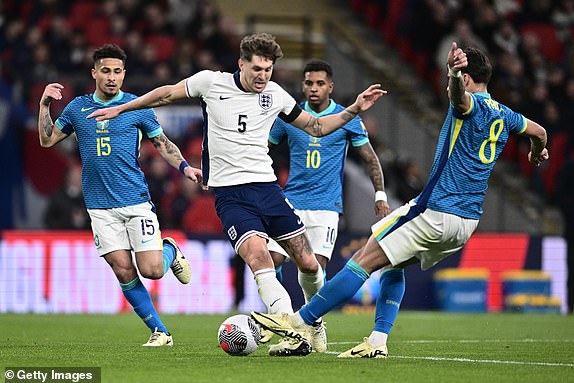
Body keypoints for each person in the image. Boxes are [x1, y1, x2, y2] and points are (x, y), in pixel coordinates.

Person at [88, 32, 386, 356]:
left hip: (268, 190)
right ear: (241, 63)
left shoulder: (275, 95)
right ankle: (289, 329)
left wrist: (355, 108)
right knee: (259, 258)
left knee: (310, 264)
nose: (262, 76)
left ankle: (314, 323)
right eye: (257, 68)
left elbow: (316, 127)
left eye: (268, 70)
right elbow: (166, 94)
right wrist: (123, 108)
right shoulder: (211, 84)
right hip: (231, 196)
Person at [251, 42, 549, 357]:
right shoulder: (506, 114)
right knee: (393, 266)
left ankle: (297, 323)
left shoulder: (469, 103)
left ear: (466, 76)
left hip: (435, 210)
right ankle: (377, 342)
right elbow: (540, 131)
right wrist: (535, 150)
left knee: (362, 261)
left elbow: (460, 99)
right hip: (467, 223)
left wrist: (452, 74)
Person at [38, 44, 200, 347]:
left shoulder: (137, 106)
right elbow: (47, 140)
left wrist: (184, 167)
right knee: (123, 269)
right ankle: (160, 332)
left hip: (135, 200)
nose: (112, 77)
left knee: (152, 271)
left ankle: (171, 251)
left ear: (124, 74)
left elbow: (163, 143)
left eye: (117, 71)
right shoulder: (77, 108)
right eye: (106, 71)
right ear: (94, 73)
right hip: (99, 207)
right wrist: (45, 106)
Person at [263, 60, 391, 353]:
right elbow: (264, 149)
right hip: (291, 201)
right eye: (308, 83)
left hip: (325, 207)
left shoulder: (346, 119)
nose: (313, 88)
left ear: (330, 87)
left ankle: (314, 324)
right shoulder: (290, 116)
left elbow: (370, 159)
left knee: (313, 271)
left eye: (320, 83)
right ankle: (282, 320)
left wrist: (380, 195)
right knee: (270, 261)